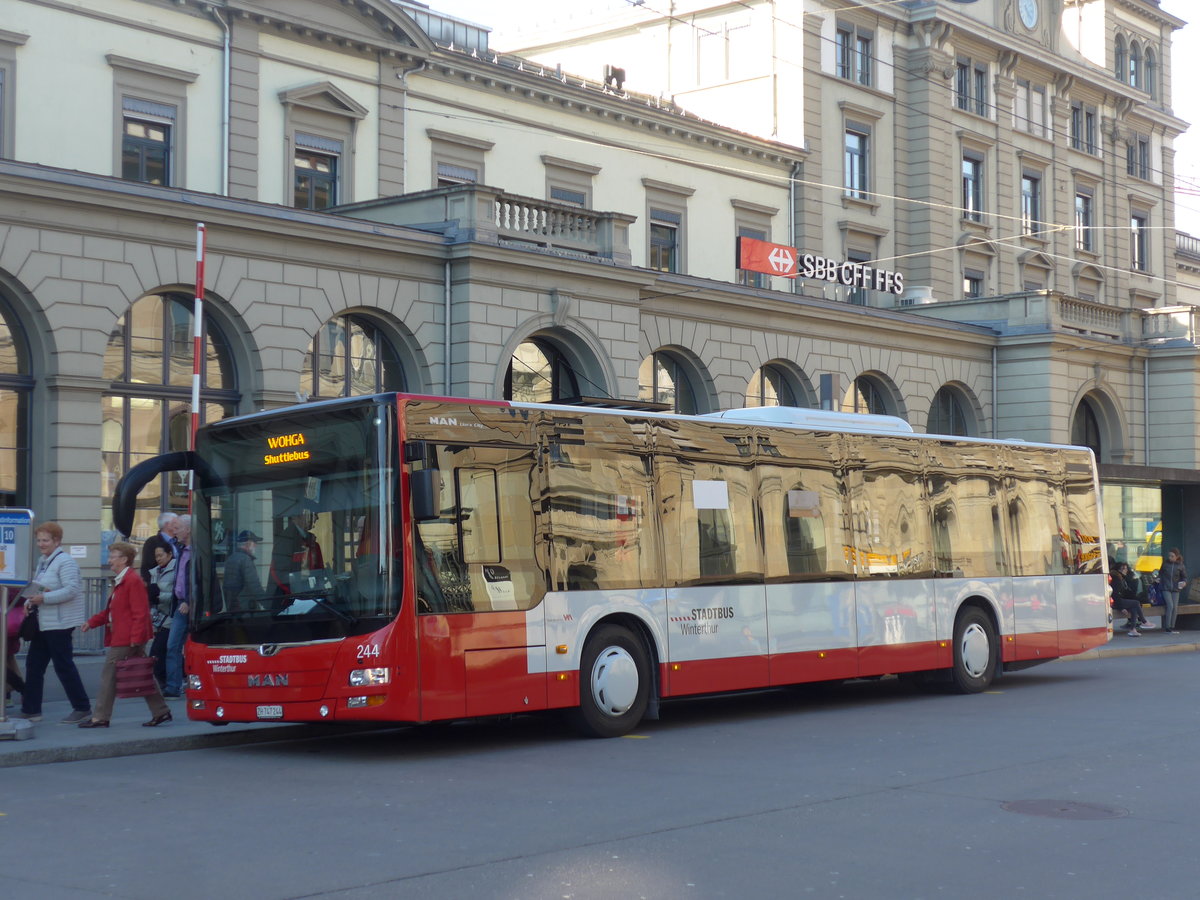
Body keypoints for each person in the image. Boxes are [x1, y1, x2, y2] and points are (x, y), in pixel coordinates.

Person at [79, 542, 171, 728]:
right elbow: (111, 611)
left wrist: (136, 639)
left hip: (127, 638)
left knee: (109, 676)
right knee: (143, 674)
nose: (110, 560)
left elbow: (140, 612)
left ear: (124, 559)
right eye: (110, 556)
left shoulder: (131, 581)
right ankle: (161, 712)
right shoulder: (121, 580)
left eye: (113, 556)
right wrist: (91, 622)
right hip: (126, 637)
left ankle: (100, 717)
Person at [14, 521, 92, 724]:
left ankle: (82, 707)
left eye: (45, 540)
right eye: (39, 540)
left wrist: (43, 599)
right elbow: (41, 588)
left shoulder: (65, 562)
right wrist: (31, 601)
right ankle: (31, 710)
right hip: (44, 621)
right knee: (34, 665)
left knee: (63, 666)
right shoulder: (44, 561)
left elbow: (71, 590)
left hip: (59, 623)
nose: (41, 544)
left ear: (56, 541)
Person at [162, 514, 192, 697]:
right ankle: (173, 687)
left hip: (190, 605)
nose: (175, 531)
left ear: (188, 530)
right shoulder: (180, 550)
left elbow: (200, 580)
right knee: (173, 646)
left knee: (186, 646)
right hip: (180, 604)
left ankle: (187, 684)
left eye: (179, 528)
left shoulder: (197, 551)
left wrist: (190, 600)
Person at [269, 511, 324, 596]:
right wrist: (299, 594)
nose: (317, 517)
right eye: (311, 514)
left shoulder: (312, 544)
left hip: (312, 600)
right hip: (292, 602)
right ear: (295, 517)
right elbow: (279, 576)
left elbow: (319, 574)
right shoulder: (285, 542)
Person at [147, 544, 177, 690]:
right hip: (159, 619)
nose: (158, 559)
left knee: (158, 652)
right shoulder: (155, 572)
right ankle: (169, 681)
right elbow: (153, 599)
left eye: (161, 555)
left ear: (170, 554)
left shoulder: (177, 569)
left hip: (172, 617)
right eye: (156, 556)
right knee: (165, 651)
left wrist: (159, 597)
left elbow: (179, 594)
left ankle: (168, 682)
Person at [224, 530, 264, 610]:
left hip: (233, 608)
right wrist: (270, 604)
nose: (256, 545)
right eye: (254, 542)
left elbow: (226, 587)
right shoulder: (245, 560)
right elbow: (255, 586)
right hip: (246, 608)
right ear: (248, 543)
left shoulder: (231, 558)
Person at [1110, 561, 1152, 635]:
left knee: (1134, 607)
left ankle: (1133, 629)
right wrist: (1121, 608)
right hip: (1117, 602)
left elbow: (1125, 593)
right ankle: (1144, 621)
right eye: (1124, 569)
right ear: (1120, 570)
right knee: (1136, 603)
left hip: (1119, 601)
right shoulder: (1116, 579)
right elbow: (1115, 595)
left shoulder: (1122, 578)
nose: (1126, 570)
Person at [139, 511, 178, 585]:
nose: (178, 525)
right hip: (159, 587)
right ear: (168, 525)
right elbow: (147, 567)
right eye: (175, 522)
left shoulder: (180, 541)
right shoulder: (151, 542)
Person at [1160, 547, 1188, 635]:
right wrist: (1158, 579)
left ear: (1177, 557)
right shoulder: (1165, 564)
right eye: (1169, 556)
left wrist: (1184, 582)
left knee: (1175, 607)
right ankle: (1167, 627)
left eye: (1172, 556)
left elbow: (1184, 577)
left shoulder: (1180, 565)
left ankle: (1172, 626)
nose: (1170, 558)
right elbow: (1160, 574)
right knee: (1170, 605)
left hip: (1176, 589)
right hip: (1165, 588)